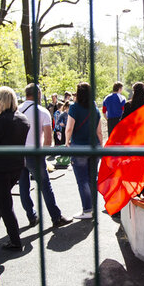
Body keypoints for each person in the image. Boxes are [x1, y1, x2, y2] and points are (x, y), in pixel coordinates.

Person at [18, 83, 72, 230]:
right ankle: (56, 217)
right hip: (35, 154)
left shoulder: (17, 110)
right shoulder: (42, 112)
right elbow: (48, 139)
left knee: (24, 186)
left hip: (18, 153)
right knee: (45, 186)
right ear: (39, 95)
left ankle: (31, 216)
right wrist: (45, 155)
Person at [0, 86, 30, 250]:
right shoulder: (23, 119)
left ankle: (15, 241)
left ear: (1, 101)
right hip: (16, 167)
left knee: (3, 206)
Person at [66, 82, 103, 220]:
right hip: (94, 147)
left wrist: (66, 141)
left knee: (82, 180)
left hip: (79, 147)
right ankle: (93, 207)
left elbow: (69, 128)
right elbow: (99, 131)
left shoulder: (74, 108)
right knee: (92, 179)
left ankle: (87, 210)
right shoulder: (95, 109)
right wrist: (101, 145)